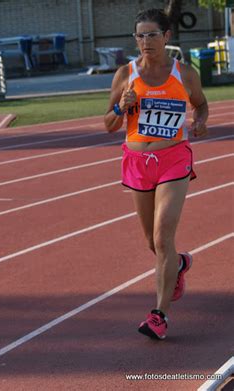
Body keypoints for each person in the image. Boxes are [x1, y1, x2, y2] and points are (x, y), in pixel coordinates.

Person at [104, 8, 208, 340]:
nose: (145, 41)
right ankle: (177, 264)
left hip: (173, 159)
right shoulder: (125, 74)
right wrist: (122, 106)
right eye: (140, 35)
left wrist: (200, 121)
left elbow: (201, 103)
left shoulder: (184, 73)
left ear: (166, 36)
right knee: (152, 242)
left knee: (163, 237)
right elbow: (108, 125)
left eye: (152, 35)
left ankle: (159, 315)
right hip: (136, 162)